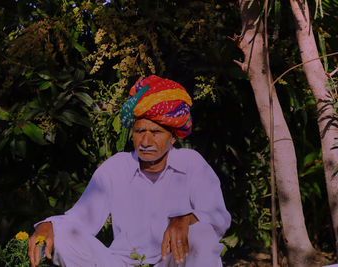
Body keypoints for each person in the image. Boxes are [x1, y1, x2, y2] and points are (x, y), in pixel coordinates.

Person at [28, 75, 231, 267]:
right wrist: (48, 225)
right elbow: (80, 220)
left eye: (156, 133)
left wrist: (186, 219)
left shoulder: (191, 163)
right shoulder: (116, 167)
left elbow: (218, 218)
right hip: (121, 263)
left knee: (202, 234)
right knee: (63, 238)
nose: (145, 142)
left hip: (171, 262)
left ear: (174, 137)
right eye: (139, 131)